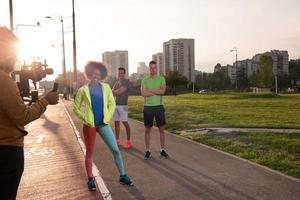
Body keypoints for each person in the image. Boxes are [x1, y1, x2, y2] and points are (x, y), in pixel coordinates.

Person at [0, 27, 59, 200]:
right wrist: (45, 100)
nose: (16, 57)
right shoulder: (4, 79)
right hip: (7, 151)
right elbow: (22, 117)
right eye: (14, 52)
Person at [73, 61, 133, 190]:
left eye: (98, 74)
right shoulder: (83, 90)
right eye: (94, 74)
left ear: (102, 75)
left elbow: (111, 104)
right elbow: (76, 108)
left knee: (116, 150)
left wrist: (108, 116)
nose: (96, 76)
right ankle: (90, 180)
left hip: (103, 124)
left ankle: (123, 175)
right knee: (90, 153)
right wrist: (86, 119)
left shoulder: (105, 87)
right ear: (89, 74)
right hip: (90, 125)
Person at [141, 60, 169, 160]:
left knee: (161, 130)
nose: (153, 70)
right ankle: (148, 150)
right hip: (148, 107)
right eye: (151, 68)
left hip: (159, 107)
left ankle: (162, 150)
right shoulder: (144, 80)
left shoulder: (162, 79)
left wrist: (151, 90)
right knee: (147, 130)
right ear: (149, 69)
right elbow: (144, 93)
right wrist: (157, 91)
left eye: (154, 68)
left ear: (157, 68)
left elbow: (163, 91)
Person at [112, 67, 131, 148]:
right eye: (119, 73)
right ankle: (117, 140)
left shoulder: (126, 82)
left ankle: (128, 141)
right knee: (116, 123)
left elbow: (119, 92)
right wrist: (114, 92)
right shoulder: (117, 83)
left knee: (125, 123)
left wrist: (115, 91)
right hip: (116, 105)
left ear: (124, 74)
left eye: (122, 73)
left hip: (123, 106)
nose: (120, 74)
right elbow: (112, 92)